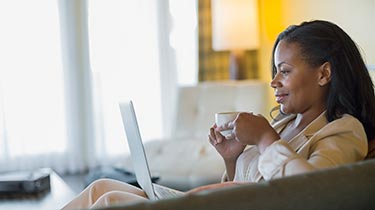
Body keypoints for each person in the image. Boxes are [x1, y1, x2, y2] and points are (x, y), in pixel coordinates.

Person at [61, 20, 375, 210]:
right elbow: (247, 185)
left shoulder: (344, 130)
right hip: (217, 200)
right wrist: (232, 158)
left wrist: (265, 139)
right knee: (102, 186)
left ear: (324, 74)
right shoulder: (286, 123)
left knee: (110, 203)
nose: (274, 82)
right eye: (274, 72)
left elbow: (316, 193)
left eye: (285, 71)